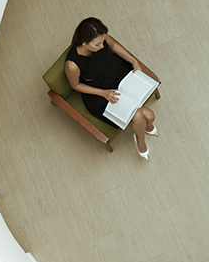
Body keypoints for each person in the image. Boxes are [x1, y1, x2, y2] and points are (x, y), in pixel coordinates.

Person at [65, 17, 160, 160]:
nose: (102, 46)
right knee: (141, 116)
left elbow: (114, 46)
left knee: (148, 116)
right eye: (97, 44)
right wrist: (103, 93)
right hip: (99, 90)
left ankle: (144, 126)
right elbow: (76, 85)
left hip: (118, 74)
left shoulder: (101, 39)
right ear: (84, 42)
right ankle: (140, 140)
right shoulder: (72, 65)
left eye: (102, 41)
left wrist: (133, 61)